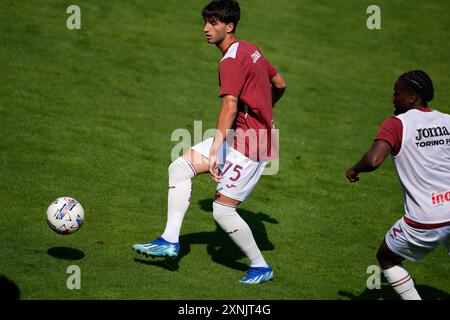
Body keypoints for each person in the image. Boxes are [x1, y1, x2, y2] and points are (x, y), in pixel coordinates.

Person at [133, 0, 286, 284]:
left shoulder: (229, 60)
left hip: (252, 145)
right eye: (205, 22)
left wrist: (216, 149)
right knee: (180, 168)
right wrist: (263, 111)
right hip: (249, 136)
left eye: (213, 23)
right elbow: (280, 83)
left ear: (229, 26)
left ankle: (261, 266)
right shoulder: (250, 49)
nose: (206, 29)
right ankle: (169, 240)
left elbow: (229, 104)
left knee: (223, 211)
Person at [346, 70, 450, 300]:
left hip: (426, 218)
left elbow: (373, 160)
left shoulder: (397, 124)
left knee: (387, 257)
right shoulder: (447, 120)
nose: (393, 98)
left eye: (397, 93)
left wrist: (354, 169)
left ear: (412, 97)